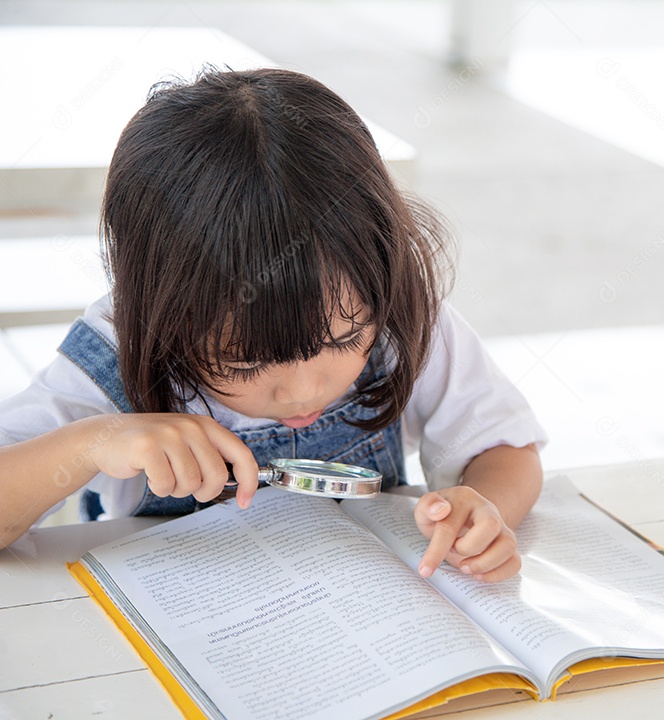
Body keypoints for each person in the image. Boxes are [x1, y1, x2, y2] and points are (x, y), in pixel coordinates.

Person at [0, 68, 545, 582]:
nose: (306, 390)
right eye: (247, 361)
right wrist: (92, 443)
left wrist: (486, 508)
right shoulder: (113, 357)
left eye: (346, 338)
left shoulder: (401, 316)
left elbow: (504, 447)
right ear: (158, 311)